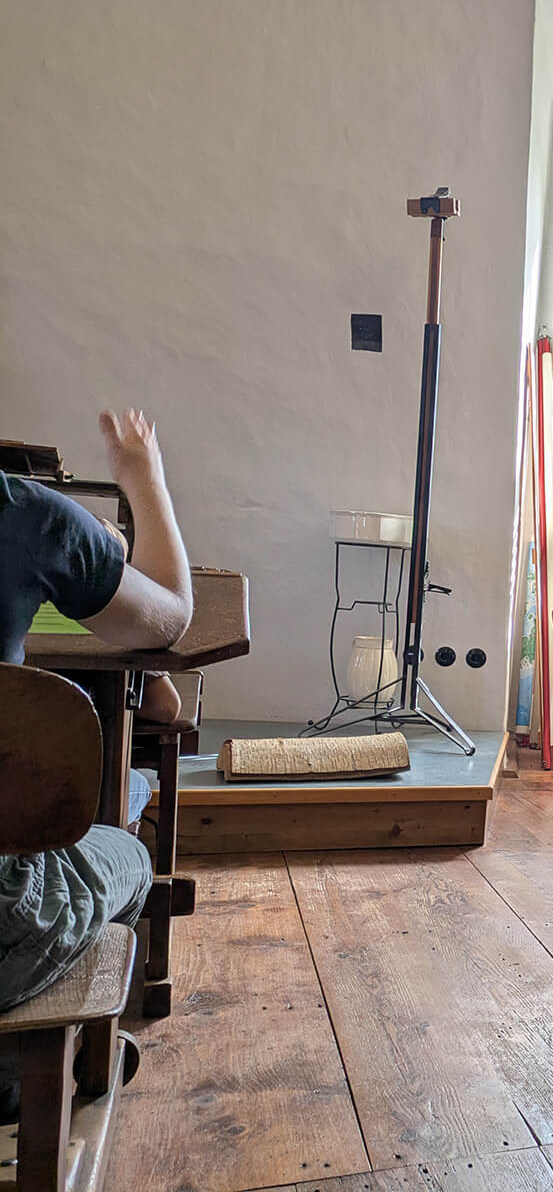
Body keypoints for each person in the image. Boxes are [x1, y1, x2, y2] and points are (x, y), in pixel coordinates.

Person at [0, 409, 193, 1121]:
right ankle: (36, 1072)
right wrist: (144, 476)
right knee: (127, 850)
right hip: (5, 923)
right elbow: (169, 618)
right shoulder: (26, 514)